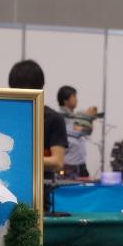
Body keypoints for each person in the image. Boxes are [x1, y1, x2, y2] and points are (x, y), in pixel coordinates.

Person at [9, 60, 66, 212]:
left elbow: (57, 162)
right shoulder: (8, 116)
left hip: (39, 191)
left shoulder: (53, 119)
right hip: (8, 187)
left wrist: (19, 158)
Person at [57, 85, 98, 178]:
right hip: (67, 165)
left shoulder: (76, 116)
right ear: (65, 100)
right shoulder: (60, 117)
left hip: (80, 163)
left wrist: (89, 118)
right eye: (74, 96)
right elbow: (75, 131)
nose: (76, 99)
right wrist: (83, 121)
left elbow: (87, 131)